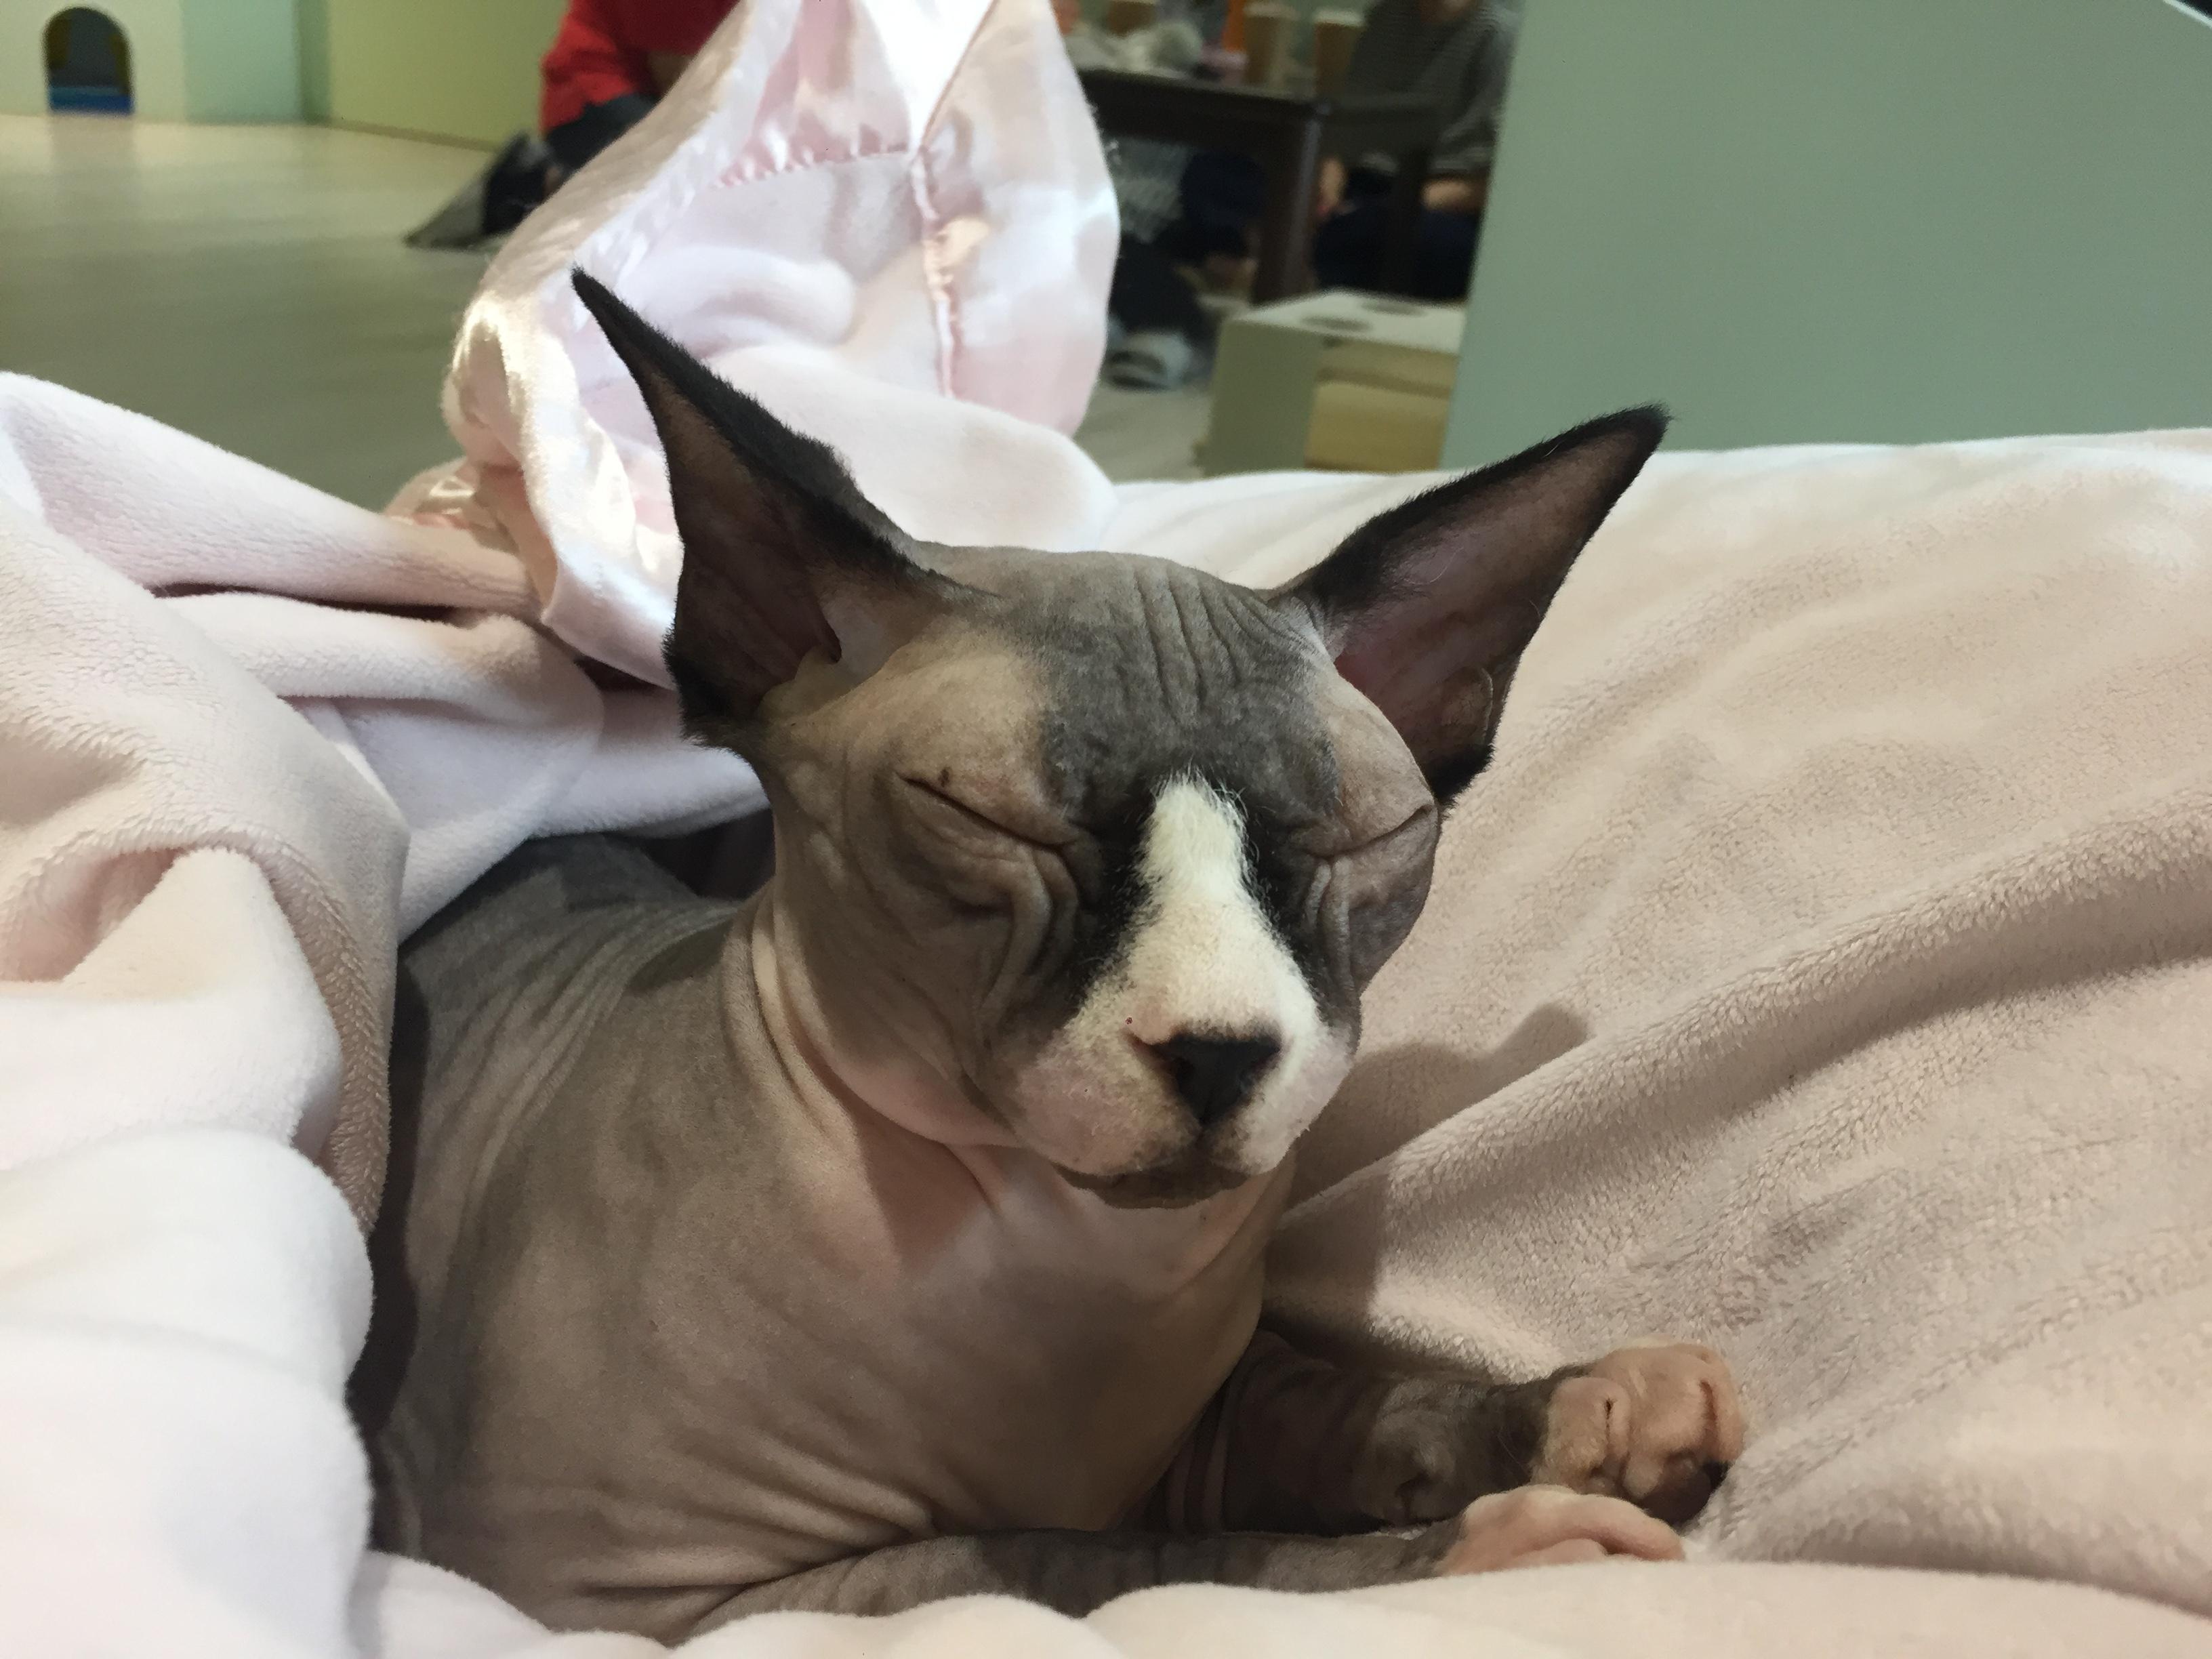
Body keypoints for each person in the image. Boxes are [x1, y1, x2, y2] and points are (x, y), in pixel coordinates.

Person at [1157, 0, 1520, 301]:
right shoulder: (1388, 16)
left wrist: (1392, 204)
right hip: (1361, 179)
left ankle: (1274, 260)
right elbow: (1348, 123)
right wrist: (1328, 179)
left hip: (1433, 197)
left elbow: (1490, 182)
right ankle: (1277, 255)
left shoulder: (1500, 34)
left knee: (1423, 241)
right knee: (1215, 168)